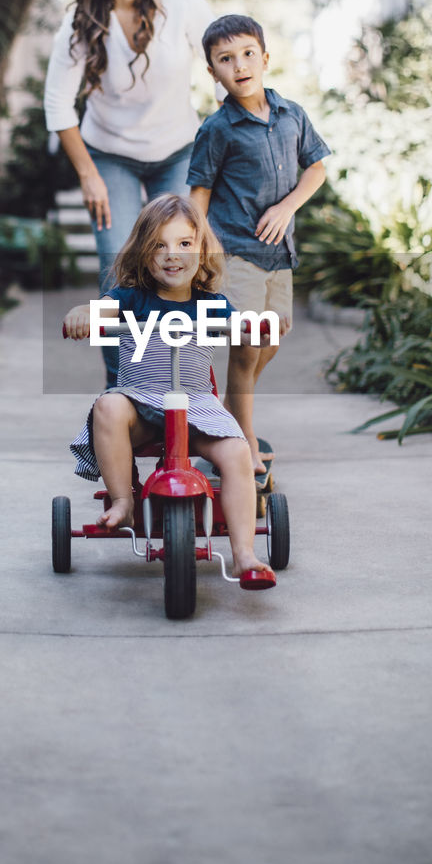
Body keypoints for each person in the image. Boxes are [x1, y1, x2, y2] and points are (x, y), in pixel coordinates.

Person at [63, 194, 274, 584]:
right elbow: (102, 310)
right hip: (140, 403)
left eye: (183, 243)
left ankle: (245, 553)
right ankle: (124, 501)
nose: (171, 254)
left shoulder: (213, 305)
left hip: (197, 408)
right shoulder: (132, 299)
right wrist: (84, 315)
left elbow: (242, 323)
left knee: (237, 451)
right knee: (108, 405)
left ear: (201, 250)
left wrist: (251, 328)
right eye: (159, 245)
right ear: (143, 254)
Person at [44, 0, 216, 294]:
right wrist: (88, 175)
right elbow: (57, 102)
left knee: (179, 265)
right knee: (118, 271)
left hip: (177, 151)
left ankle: (175, 358)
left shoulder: (183, 2)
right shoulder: (80, 19)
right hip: (109, 155)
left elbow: (222, 70)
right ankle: (125, 360)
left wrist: (221, 146)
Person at [187, 14, 330, 475]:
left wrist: (288, 207)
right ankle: (242, 438)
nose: (239, 65)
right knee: (247, 343)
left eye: (248, 54)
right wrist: (198, 250)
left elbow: (317, 169)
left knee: (271, 339)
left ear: (265, 58)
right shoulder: (218, 129)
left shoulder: (292, 115)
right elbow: (199, 193)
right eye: (225, 59)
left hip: (279, 253)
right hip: (236, 252)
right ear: (213, 73)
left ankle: (229, 409)